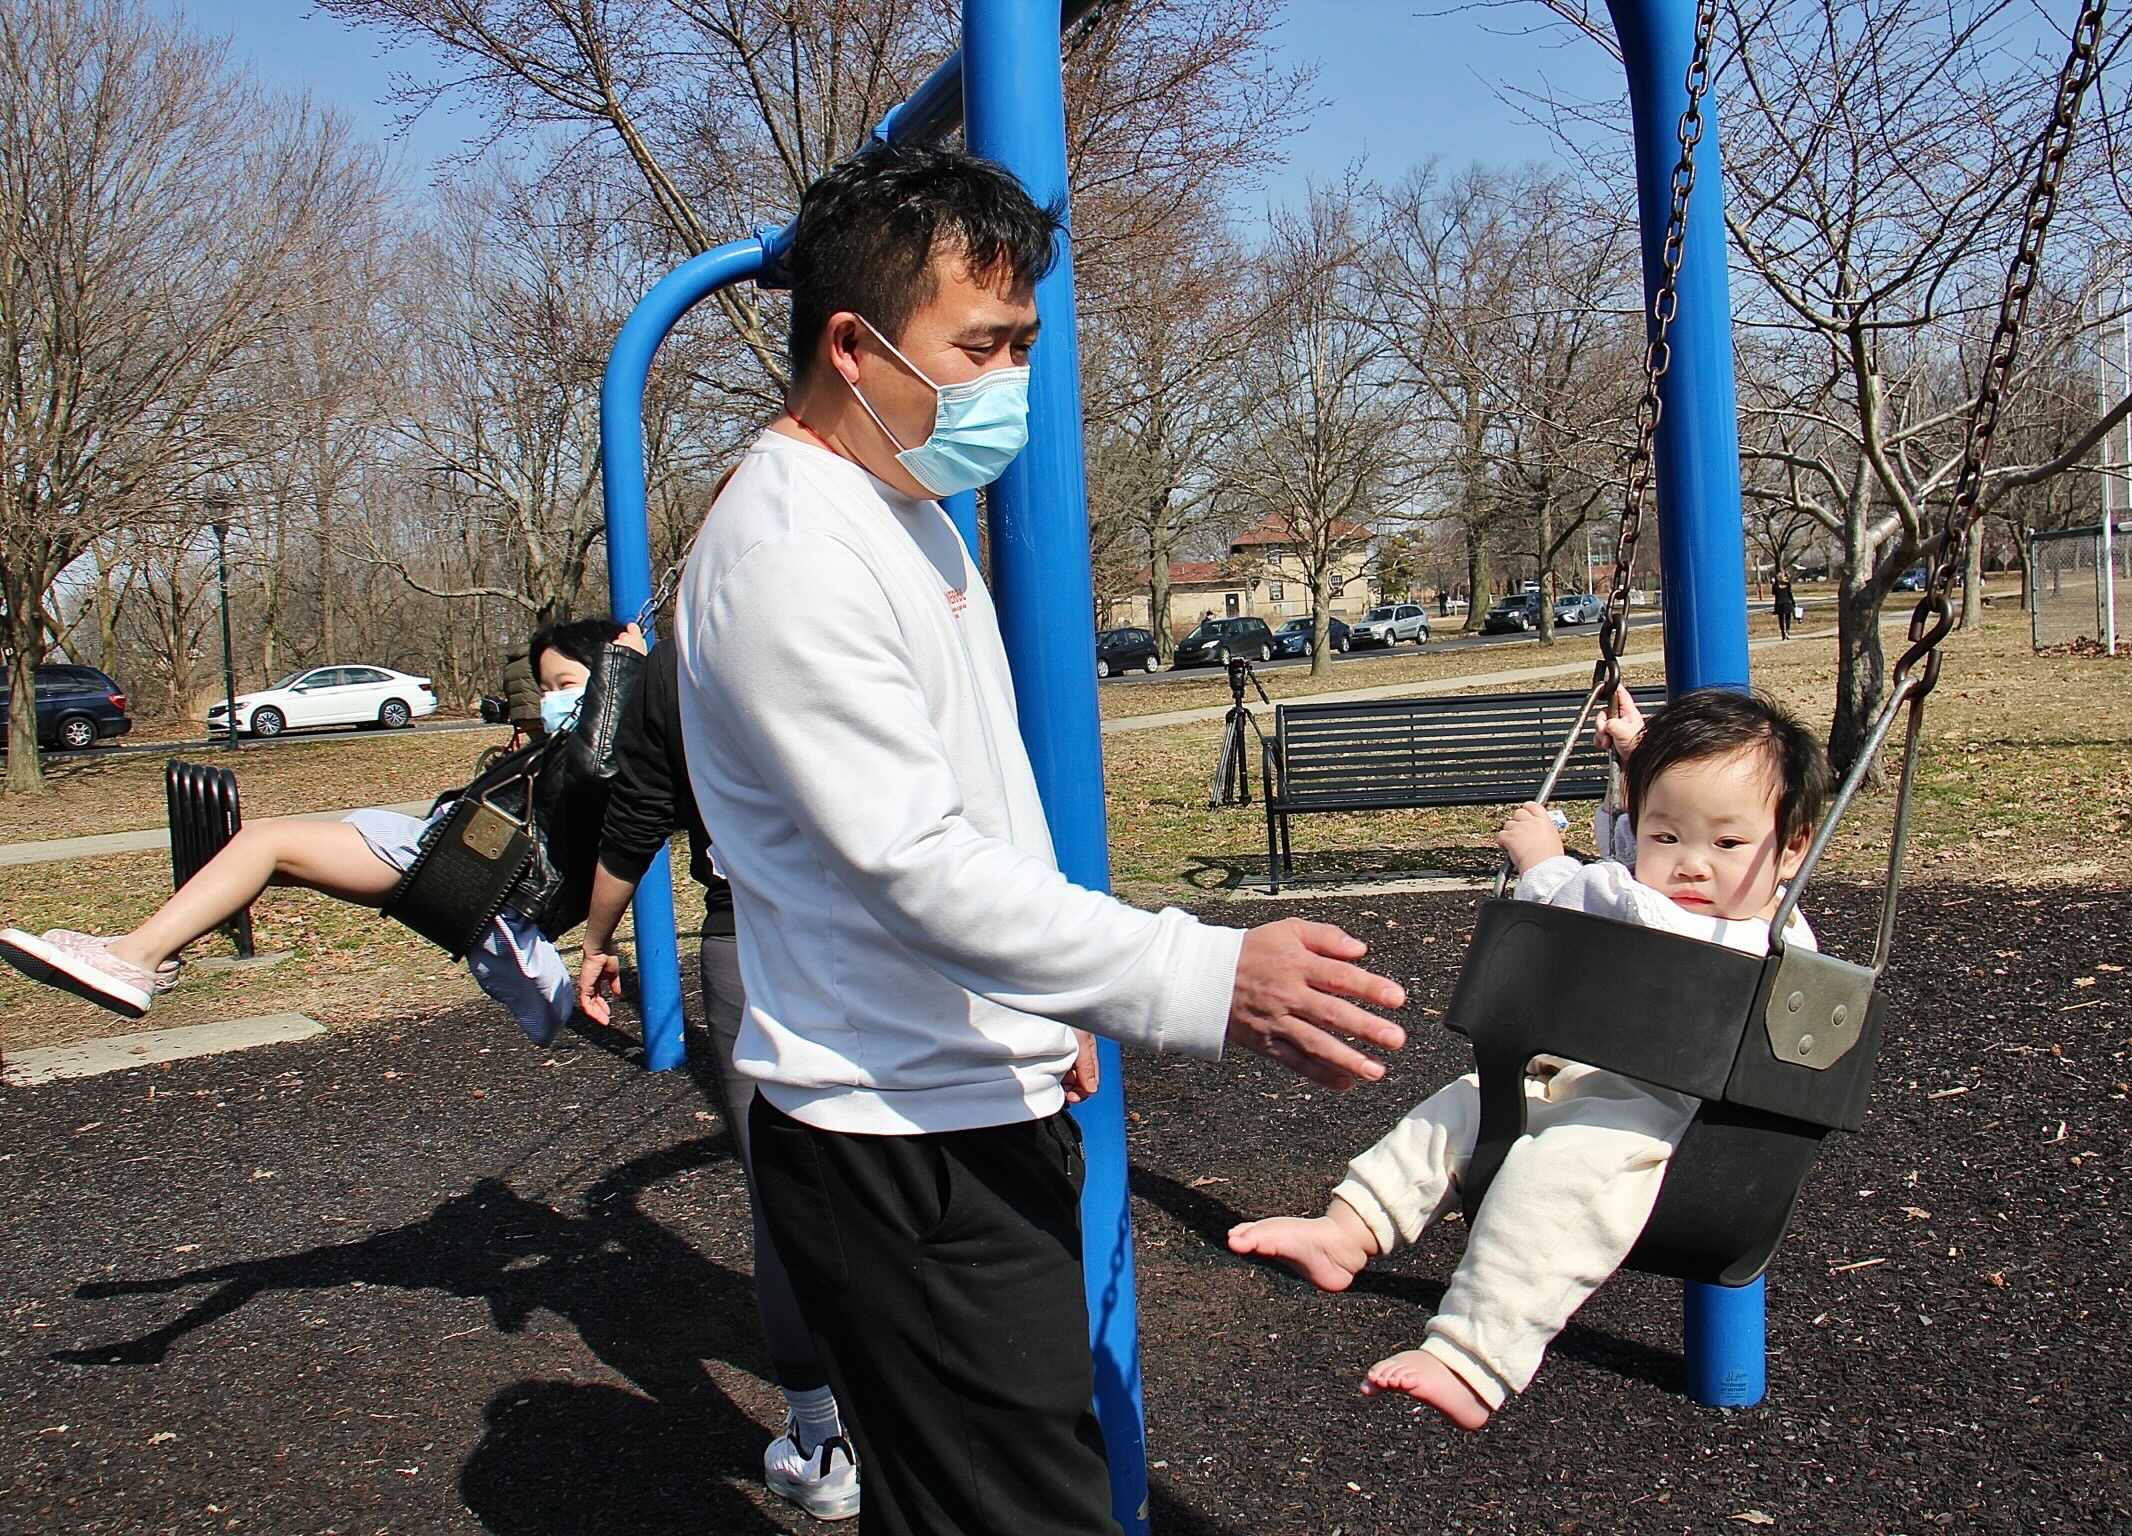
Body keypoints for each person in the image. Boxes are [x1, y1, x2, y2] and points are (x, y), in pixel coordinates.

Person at [675, 141, 1406, 1535]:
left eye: (1024, 340)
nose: (1014, 380)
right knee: (1021, 1509)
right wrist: (1201, 978)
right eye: (988, 343)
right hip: (895, 1139)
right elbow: (911, 865)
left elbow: (974, 794)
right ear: (852, 341)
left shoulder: (897, 510)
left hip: (953, 1097)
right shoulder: (792, 558)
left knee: (984, 1489)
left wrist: (1046, 998)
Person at [1227, 687, 1829, 1431]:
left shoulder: (1745, 934)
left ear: (1793, 848)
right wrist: (1636, 763)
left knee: (1555, 1177)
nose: (1691, 868)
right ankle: (1348, 1229)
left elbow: (1590, 903)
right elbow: (1637, 866)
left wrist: (1544, 859)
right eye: (1666, 837)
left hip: (1677, 1131)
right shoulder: (1740, 913)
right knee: (1462, 1107)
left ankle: (1474, 1359)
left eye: (1729, 845)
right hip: (1582, 1080)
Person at [1, 619, 641, 1043]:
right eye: (544, 685)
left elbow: (598, 762)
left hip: (475, 875)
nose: (552, 697)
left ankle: (137, 960)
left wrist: (625, 671)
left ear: (609, 679)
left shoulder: (613, 743)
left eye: (567, 684)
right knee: (270, 856)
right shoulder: (562, 739)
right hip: (454, 856)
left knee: (266, 843)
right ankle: (149, 952)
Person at [572, 638, 862, 1521]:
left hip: (753, 929)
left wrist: (593, 941)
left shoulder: (688, 649)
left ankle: (823, 1443)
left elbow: (638, 814)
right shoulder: (869, 599)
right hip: (889, 916)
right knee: (909, 1157)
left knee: (785, 1192)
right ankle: (919, 1403)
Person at [500, 644, 545, 749]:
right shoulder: (533, 662)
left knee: (537, 742)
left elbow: (507, 690)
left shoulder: (509, 667)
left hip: (518, 714)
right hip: (537, 711)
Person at [1772, 575, 1796, 639]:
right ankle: (1787, 631)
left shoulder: (1775, 586)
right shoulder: (1788, 584)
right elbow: (1790, 594)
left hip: (1779, 604)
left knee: (1781, 619)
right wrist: (1793, 602)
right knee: (1788, 618)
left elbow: (1773, 593)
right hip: (1787, 603)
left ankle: (1783, 632)